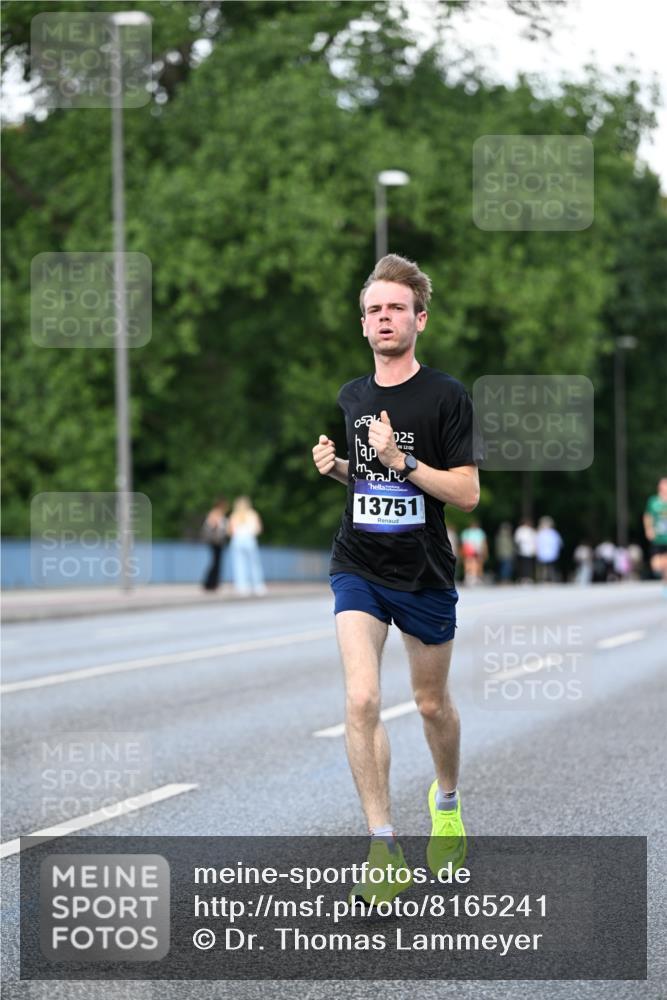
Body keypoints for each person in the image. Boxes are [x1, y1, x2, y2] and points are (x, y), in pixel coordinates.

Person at [312, 254, 480, 905]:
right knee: (360, 700)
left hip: (425, 573)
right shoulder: (353, 397)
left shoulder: (445, 396)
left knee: (431, 704)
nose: (385, 318)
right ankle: (382, 847)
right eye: (374, 310)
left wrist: (400, 458)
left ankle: (446, 801)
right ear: (363, 325)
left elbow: (463, 492)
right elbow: (369, 487)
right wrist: (339, 473)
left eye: (395, 308)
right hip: (358, 565)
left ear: (419, 318)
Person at [228, 496, 267, 596]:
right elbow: (258, 529)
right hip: (249, 539)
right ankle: (258, 586)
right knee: (254, 564)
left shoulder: (234, 515)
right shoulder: (253, 514)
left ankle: (242, 586)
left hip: (237, 540)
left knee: (239, 564)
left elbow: (230, 531)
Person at [643, 477, 667, 592]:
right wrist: (648, 529)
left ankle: (665, 585)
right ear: (660, 487)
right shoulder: (653, 501)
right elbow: (648, 516)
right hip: (658, 538)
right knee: (656, 566)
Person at [201, 496, 229, 592]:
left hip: (220, 542)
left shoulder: (219, 514)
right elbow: (211, 526)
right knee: (215, 563)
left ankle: (214, 583)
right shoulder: (215, 513)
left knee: (217, 563)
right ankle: (209, 583)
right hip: (215, 541)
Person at [460, 519, 488, 585]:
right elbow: (463, 544)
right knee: (469, 563)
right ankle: (469, 577)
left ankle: (477, 577)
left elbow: (483, 542)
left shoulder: (480, 532)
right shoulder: (466, 532)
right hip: (469, 550)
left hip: (478, 550)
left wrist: (485, 551)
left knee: (478, 563)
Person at [535, 516, 563, 583]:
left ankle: (551, 578)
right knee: (543, 567)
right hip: (543, 553)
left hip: (551, 553)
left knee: (551, 567)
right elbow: (536, 542)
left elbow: (558, 543)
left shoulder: (553, 533)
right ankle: (544, 579)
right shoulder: (540, 532)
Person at [513, 518, 537, 583]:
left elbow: (535, 540)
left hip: (529, 551)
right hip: (523, 550)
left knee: (528, 565)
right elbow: (517, 540)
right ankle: (524, 577)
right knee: (524, 565)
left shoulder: (530, 530)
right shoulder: (521, 530)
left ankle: (528, 577)